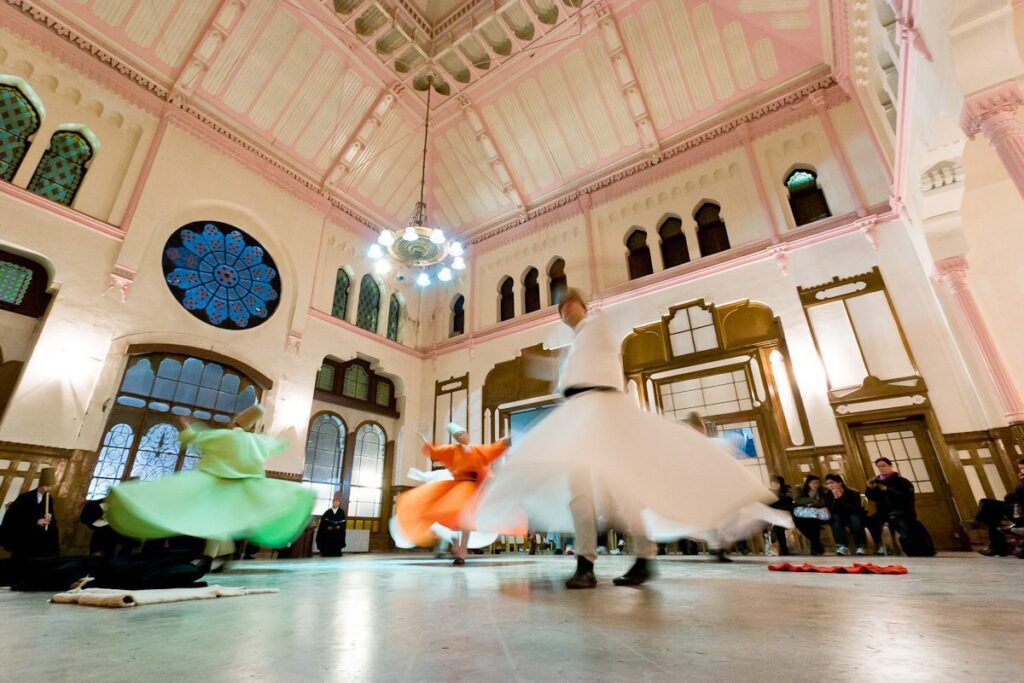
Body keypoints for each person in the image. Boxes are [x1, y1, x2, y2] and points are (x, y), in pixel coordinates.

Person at [475, 289, 787, 588]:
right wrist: (546, 368)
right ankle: (585, 564)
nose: (565, 309)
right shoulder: (576, 346)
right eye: (561, 308)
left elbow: (604, 350)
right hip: (579, 418)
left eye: (571, 303)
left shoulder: (597, 328)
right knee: (579, 491)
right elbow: (568, 378)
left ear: (583, 306)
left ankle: (643, 558)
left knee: (624, 489)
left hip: (605, 413)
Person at [106, 404, 314, 567]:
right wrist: (286, 435)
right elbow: (278, 444)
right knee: (221, 522)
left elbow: (196, 437)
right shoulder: (257, 441)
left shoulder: (224, 435)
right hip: (243, 489)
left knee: (196, 511)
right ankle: (211, 556)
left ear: (234, 422)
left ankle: (202, 555)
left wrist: (187, 426)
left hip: (216, 484)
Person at [393, 423, 515, 566]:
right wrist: (427, 442)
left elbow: (493, 449)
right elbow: (437, 452)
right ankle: (458, 548)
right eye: (457, 436)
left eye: (462, 433)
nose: (460, 437)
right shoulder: (452, 450)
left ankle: (461, 552)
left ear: (467, 434)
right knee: (459, 518)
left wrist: (504, 442)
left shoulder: (478, 449)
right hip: (460, 488)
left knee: (466, 522)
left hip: (474, 489)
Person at [865, 457, 934, 556]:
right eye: (878, 467)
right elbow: (872, 497)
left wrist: (887, 490)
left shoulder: (901, 481)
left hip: (902, 511)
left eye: (883, 466)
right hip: (883, 512)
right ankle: (880, 545)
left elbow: (906, 497)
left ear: (890, 466)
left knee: (900, 523)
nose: (881, 468)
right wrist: (869, 488)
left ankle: (908, 546)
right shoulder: (877, 482)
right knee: (870, 520)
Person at [0, 466, 59, 560]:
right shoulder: (25, 497)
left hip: (38, 539)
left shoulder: (49, 498)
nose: (49, 489)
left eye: (51, 486)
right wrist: (35, 522)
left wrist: (50, 517)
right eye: (47, 486)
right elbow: (15, 518)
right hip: (24, 538)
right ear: (41, 485)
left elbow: (51, 517)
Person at [975, 458, 1024, 557]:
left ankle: (998, 547)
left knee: (991, 513)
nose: (1021, 471)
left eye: (1023, 468)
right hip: (1016, 509)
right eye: (1020, 469)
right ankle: (998, 545)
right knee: (986, 504)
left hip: (1020, 511)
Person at [824, 473, 867, 556]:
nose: (830, 485)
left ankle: (860, 546)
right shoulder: (827, 494)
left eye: (832, 483)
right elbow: (832, 511)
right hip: (839, 517)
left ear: (840, 483)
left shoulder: (853, 492)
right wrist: (836, 499)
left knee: (854, 517)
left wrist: (841, 498)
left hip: (853, 514)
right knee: (835, 518)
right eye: (828, 484)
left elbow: (854, 509)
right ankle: (841, 546)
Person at [793, 475, 828, 555]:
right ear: (808, 483)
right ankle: (817, 545)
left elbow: (823, 504)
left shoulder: (822, 491)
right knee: (798, 520)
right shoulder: (802, 491)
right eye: (813, 483)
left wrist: (814, 504)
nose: (815, 485)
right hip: (803, 514)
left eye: (817, 483)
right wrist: (812, 500)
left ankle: (815, 547)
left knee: (813, 521)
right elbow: (797, 501)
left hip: (817, 515)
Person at [767, 475, 793, 556]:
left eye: (777, 483)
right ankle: (780, 549)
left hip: (785, 517)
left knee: (778, 526)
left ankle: (783, 549)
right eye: (773, 483)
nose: (774, 485)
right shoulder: (767, 493)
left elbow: (789, 507)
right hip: (771, 517)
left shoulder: (786, 494)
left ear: (781, 484)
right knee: (776, 526)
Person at [316, 492, 347, 557]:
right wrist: (327, 527)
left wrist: (340, 526)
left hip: (337, 532)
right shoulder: (328, 512)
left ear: (339, 503)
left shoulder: (341, 512)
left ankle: (337, 553)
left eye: (337, 502)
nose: (336, 503)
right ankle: (326, 553)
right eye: (335, 502)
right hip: (329, 532)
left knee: (337, 540)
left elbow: (343, 523)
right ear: (333, 502)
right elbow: (323, 523)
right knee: (327, 540)